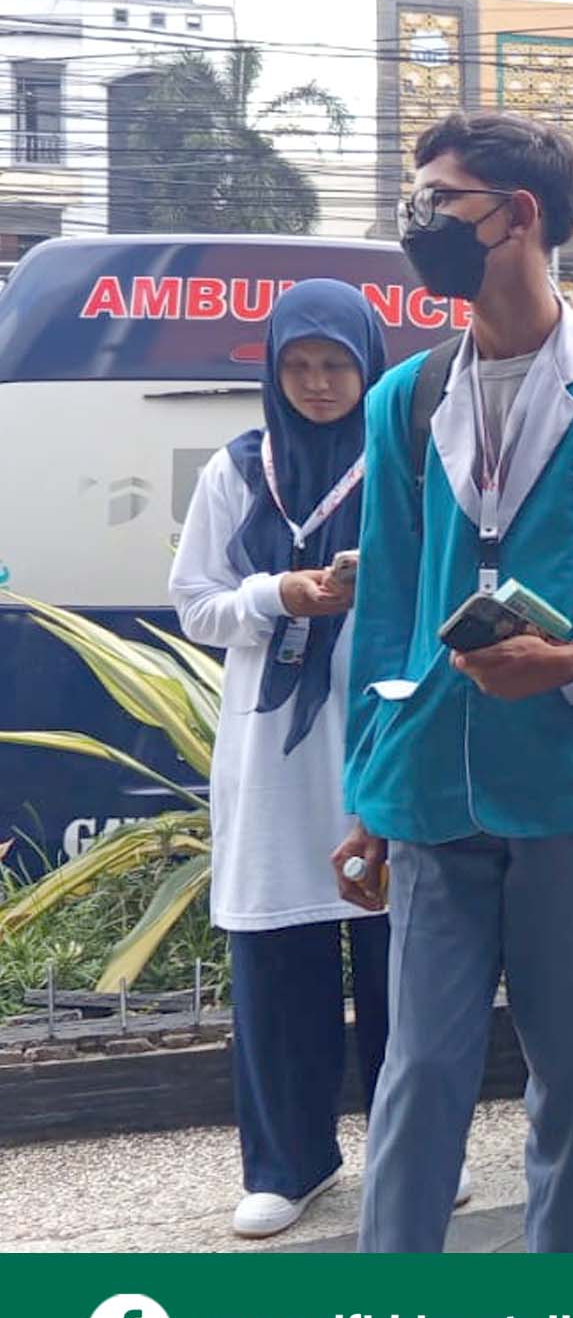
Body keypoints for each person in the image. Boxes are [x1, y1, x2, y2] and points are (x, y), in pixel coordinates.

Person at [337, 112, 573, 1253]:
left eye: (440, 201)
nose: (419, 222)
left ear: (518, 216)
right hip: (434, 782)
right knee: (419, 1072)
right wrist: (366, 793)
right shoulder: (405, 399)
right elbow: (387, 610)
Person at [170, 282, 449, 1237]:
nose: (318, 383)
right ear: (272, 369)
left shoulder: (406, 461)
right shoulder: (237, 469)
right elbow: (195, 604)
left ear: (369, 368)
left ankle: (415, 1151)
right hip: (272, 756)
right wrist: (276, 595)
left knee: (398, 956)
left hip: (376, 732)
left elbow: (443, 586)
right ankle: (289, 1163)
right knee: (279, 954)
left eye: (336, 365)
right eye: (298, 365)